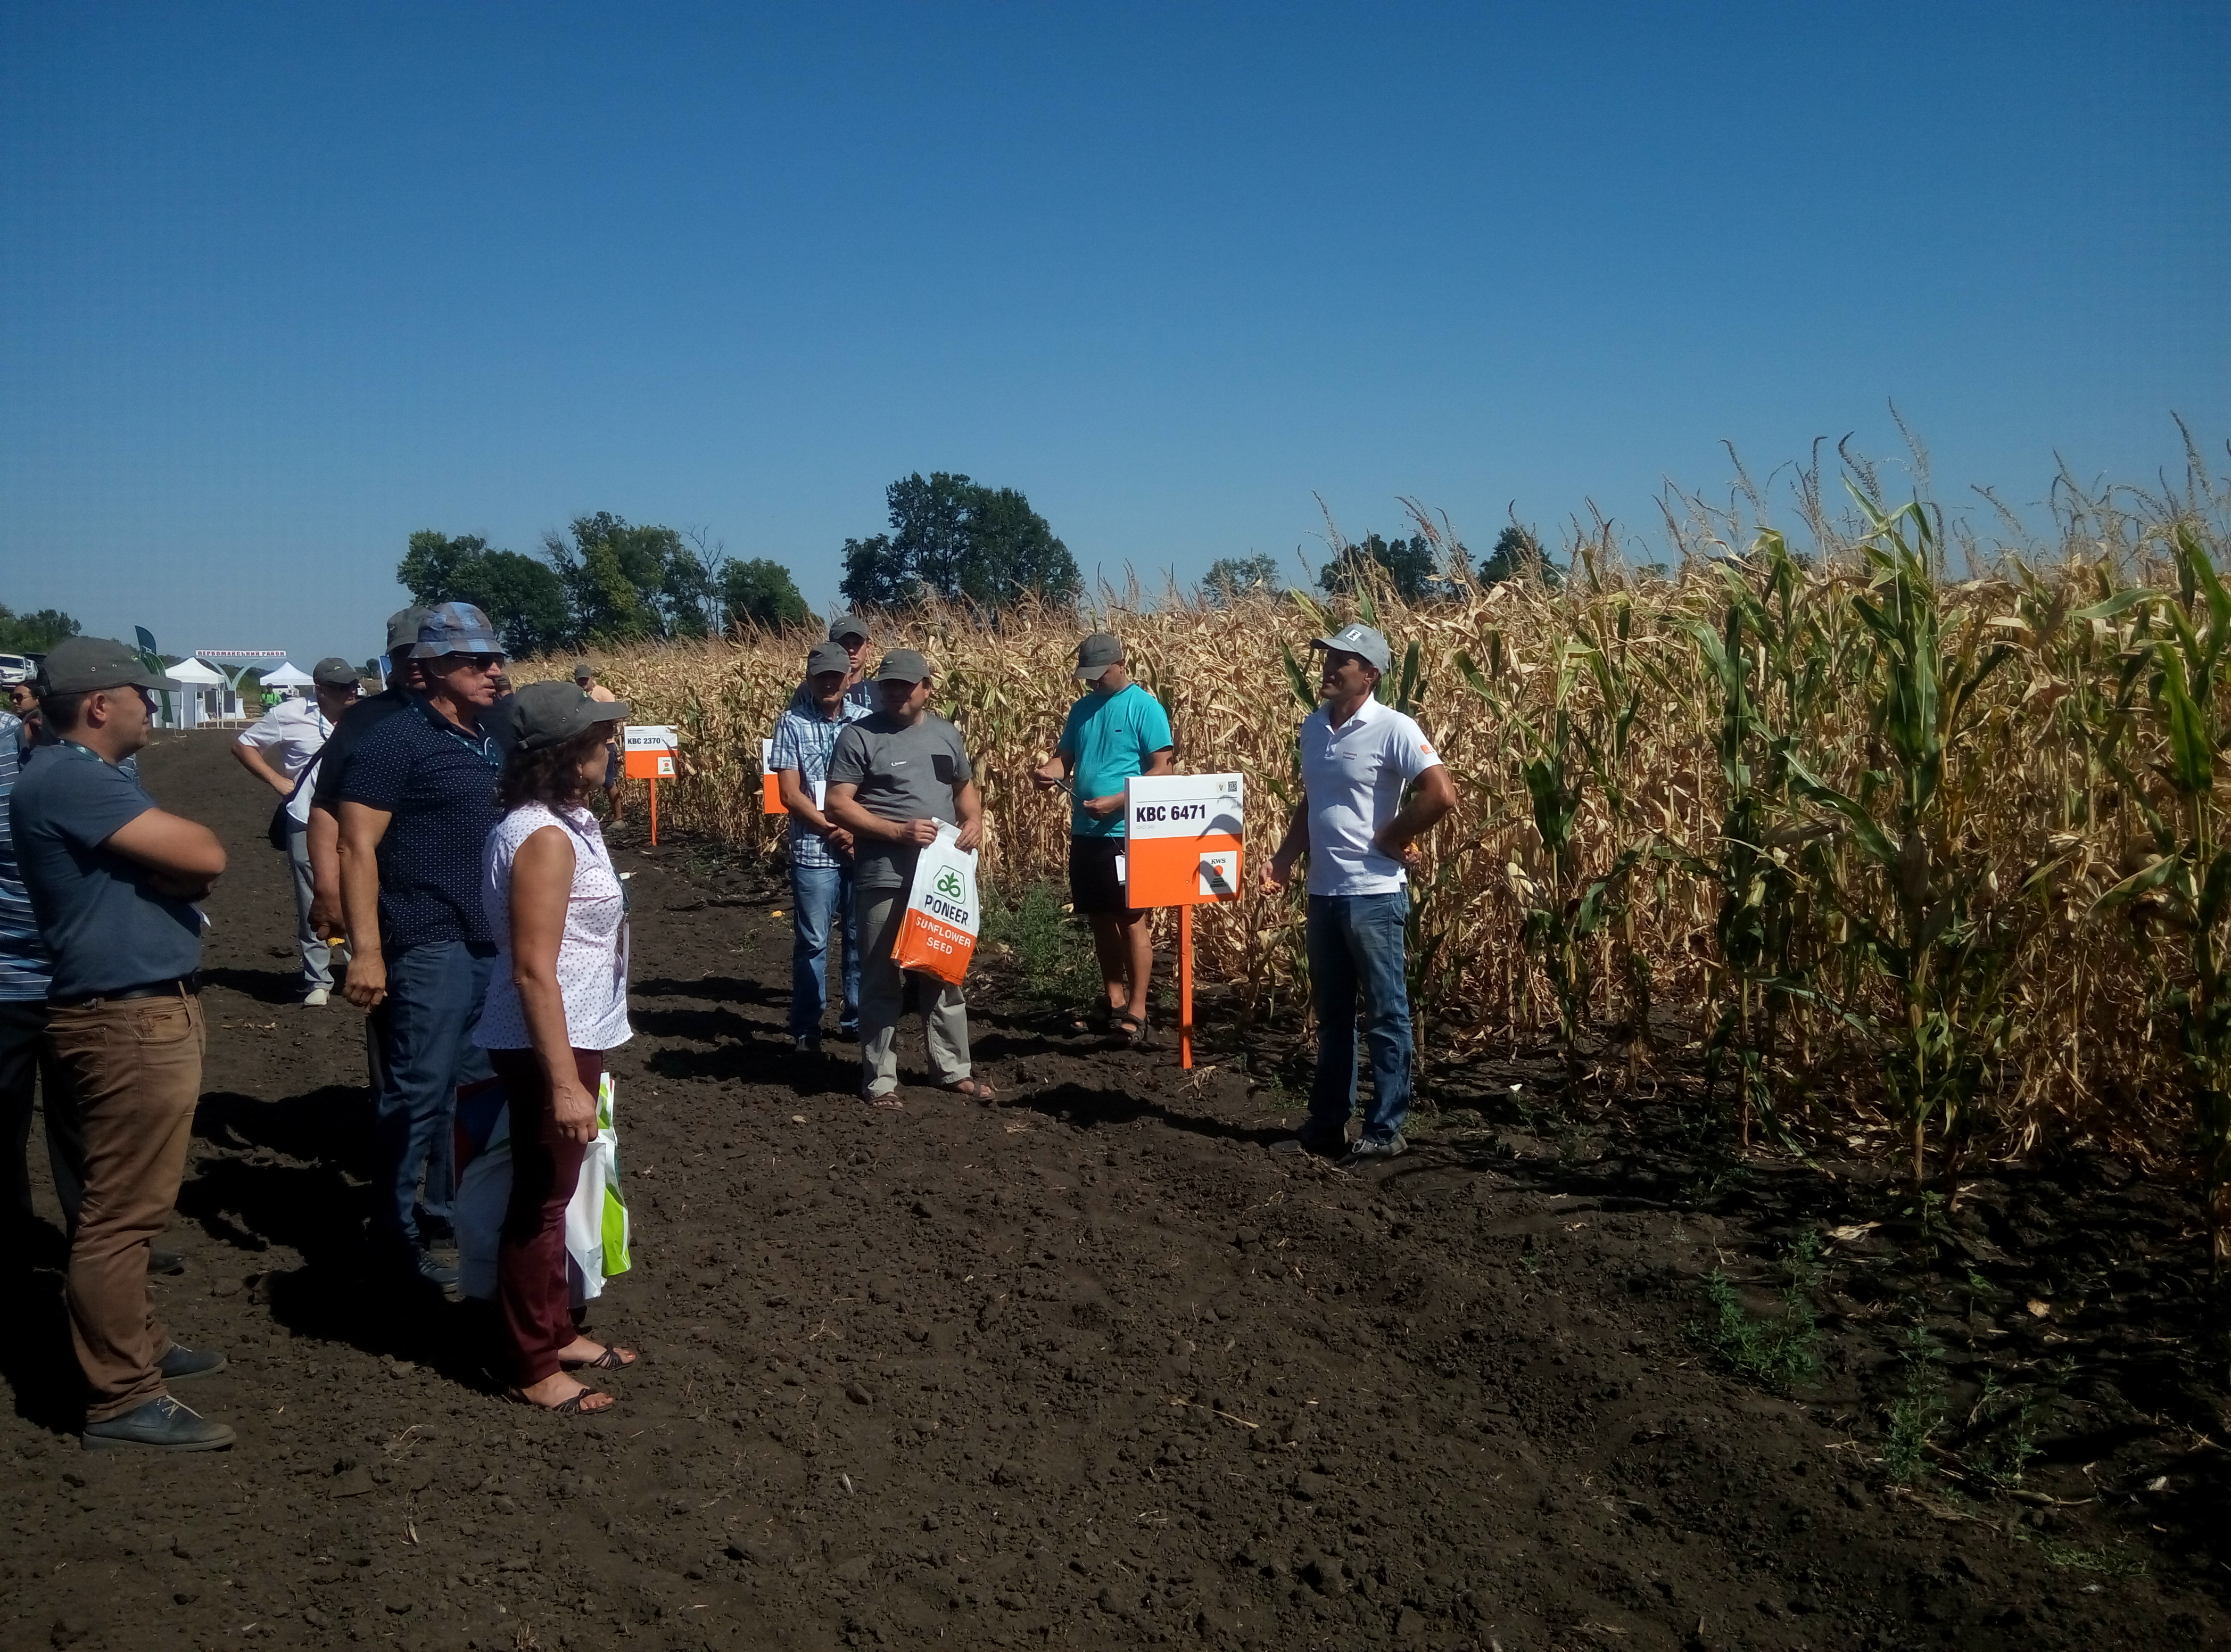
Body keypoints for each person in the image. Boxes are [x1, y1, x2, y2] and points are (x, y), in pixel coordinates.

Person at [10, 638, 233, 1450]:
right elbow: (206, 853)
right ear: (99, 705)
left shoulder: (74, 778)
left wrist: (177, 873)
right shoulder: (73, 777)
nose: (150, 704)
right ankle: (119, 1395)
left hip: (129, 1009)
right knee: (119, 1216)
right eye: (140, 692)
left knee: (126, 1205)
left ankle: (136, 1347)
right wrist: (181, 871)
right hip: (125, 1018)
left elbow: (190, 870)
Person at [474, 680, 638, 1415]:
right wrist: (566, 1083)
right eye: (600, 739)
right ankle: (529, 1362)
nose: (611, 748)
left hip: (576, 1031)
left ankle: (556, 1327)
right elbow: (534, 968)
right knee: (540, 1203)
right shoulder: (541, 837)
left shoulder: (561, 821)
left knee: (558, 1191)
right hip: (552, 1041)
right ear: (564, 753)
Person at [337, 603, 513, 1288]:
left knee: (472, 1091)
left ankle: (448, 1213)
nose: (493, 671)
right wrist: (368, 949)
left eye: (495, 658)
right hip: (425, 940)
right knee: (417, 1094)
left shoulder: (487, 740)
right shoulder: (395, 741)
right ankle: (394, 1229)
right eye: (477, 661)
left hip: (484, 942)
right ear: (435, 668)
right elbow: (357, 847)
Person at [1261, 623, 1456, 1162]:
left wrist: (1393, 835)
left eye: (1341, 661)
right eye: (1326, 657)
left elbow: (1441, 794)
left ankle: (1386, 1127)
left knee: (1386, 1014)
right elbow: (1312, 801)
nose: (1327, 668)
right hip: (1323, 893)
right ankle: (1327, 1122)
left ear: (1368, 674)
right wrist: (1283, 859)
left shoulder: (1394, 727)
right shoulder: (1313, 726)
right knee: (1333, 1015)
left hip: (1373, 895)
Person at [824, 649, 994, 1107]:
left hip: (940, 877)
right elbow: (838, 804)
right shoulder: (859, 737)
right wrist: (896, 831)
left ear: (927, 688)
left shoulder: (946, 734)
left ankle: (952, 1070)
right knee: (880, 978)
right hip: (884, 874)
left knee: (943, 971)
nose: (896, 692)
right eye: (889, 685)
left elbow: (963, 788)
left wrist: (974, 820)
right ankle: (880, 1079)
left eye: (906, 685)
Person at [1031, 632, 1175, 1044]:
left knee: (1131, 919)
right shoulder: (1082, 710)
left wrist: (1117, 801)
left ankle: (1138, 1008)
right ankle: (1112, 998)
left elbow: (1162, 769)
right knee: (1098, 917)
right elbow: (1065, 759)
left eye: (1099, 674)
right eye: (1088, 676)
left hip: (1125, 832)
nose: (1094, 682)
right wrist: (1049, 772)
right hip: (1087, 831)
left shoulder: (1144, 708)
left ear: (1120, 664)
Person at [232, 657, 361, 1006]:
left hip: (356, 819)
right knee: (313, 895)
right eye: (342, 687)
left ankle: (357, 965)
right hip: (305, 817)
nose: (352, 691)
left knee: (359, 891)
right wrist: (276, 780)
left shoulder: (365, 716)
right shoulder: (289, 714)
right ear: (320, 690)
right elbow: (244, 745)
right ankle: (318, 978)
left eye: (353, 684)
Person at [771, 640, 872, 1054]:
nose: (830, 683)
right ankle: (807, 1027)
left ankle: (856, 1018)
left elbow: (879, 786)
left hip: (862, 847)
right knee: (813, 942)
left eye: (836, 675)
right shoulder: (791, 723)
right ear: (810, 680)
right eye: (822, 676)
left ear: (848, 678)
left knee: (858, 936)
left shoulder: (868, 721)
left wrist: (858, 829)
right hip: (815, 850)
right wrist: (836, 826)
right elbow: (790, 795)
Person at [304, 608, 428, 943]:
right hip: (387, 887)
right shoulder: (363, 719)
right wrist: (328, 888)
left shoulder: (477, 717)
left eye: (423, 651)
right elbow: (326, 806)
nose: (414, 661)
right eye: (403, 653)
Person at [790, 614, 876, 715]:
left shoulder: (879, 691)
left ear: (868, 646)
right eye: (844, 644)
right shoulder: (810, 688)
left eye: (857, 643)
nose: (851, 650)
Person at [573, 660, 625, 824]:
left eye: (585, 680)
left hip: (605, 745)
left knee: (608, 782)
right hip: (583, 744)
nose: (583, 684)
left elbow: (614, 717)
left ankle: (619, 818)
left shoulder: (603, 694)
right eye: (580, 681)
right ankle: (584, 818)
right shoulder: (575, 696)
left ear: (591, 679)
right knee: (582, 782)